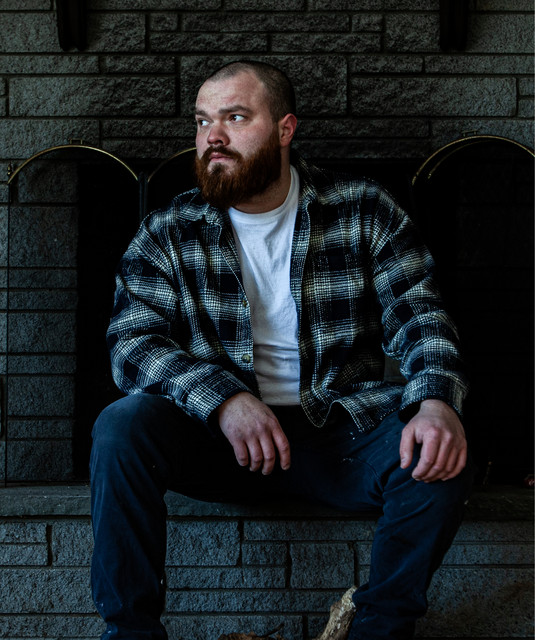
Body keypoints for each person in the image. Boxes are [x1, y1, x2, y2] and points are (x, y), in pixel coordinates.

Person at [90, 60, 474, 640]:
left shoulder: (363, 209)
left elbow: (421, 317)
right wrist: (224, 400)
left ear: (285, 129)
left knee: (439, 449)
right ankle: (130, 636)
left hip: (337, 436)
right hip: (220, 442)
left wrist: (437, 403)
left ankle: (378, 631)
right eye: (202, 121)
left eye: (235, 118)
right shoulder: (169, 230)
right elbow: (131, 344)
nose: (212, 137)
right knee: (121, 426)